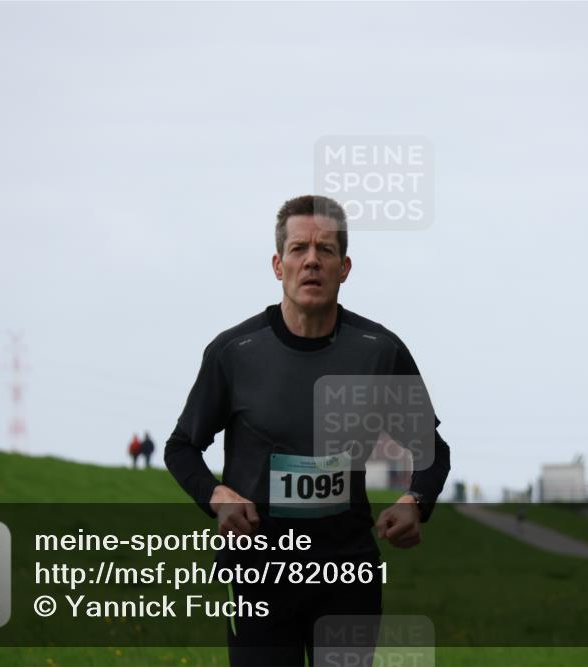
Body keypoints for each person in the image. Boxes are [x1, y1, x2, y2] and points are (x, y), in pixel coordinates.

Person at [164, 194, 451, 667]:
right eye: (299, 249)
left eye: (325, 250)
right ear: (278, 265)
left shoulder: (379, 352)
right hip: (258, 574)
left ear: (345, 267)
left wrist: (415, 502)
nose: (312, 260)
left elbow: (432, 449)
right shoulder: (234, 352)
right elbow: (181, 448)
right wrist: (217, 498)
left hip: (347, 573)